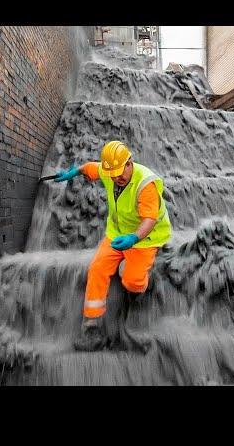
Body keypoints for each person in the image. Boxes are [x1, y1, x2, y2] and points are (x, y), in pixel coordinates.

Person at [54, 140, 172, 351]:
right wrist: (73, 173)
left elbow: (149, 220)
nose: (117, 178)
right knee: (97, 268)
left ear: (129, 162)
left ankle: (146, 282)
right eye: (112, 174)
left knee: (132, 282)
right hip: (116, 234)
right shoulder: (109, 172)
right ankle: (92, 327)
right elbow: (89, 168)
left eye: (120, 172)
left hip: (146, 238)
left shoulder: (146, 184)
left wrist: (134, 239)